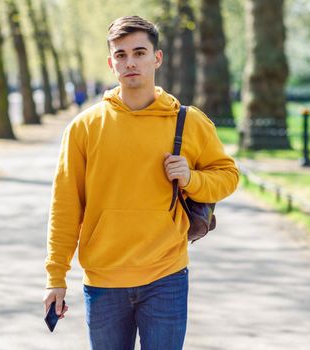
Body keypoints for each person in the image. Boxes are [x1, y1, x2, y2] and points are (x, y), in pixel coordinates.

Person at [43, 15, 239, 350]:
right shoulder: (84, 127)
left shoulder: (188, 121)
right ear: (111, 62)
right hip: (104, 280)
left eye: (139, 52)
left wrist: (191, 179)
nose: (130, 62)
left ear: (156, 57)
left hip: (166, 277)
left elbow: (228, 176)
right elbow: (65, 205)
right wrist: (56, 277)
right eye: (121, 55)